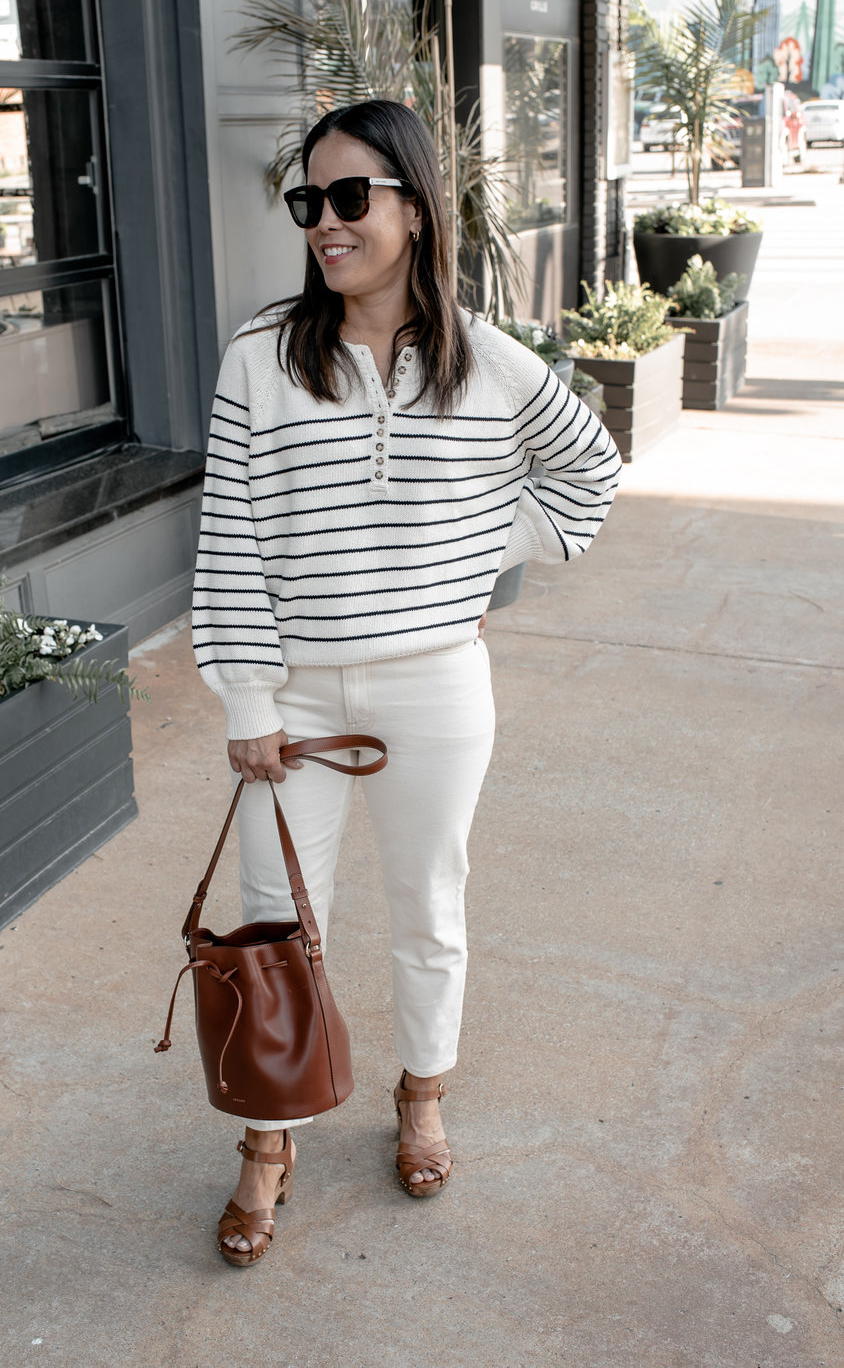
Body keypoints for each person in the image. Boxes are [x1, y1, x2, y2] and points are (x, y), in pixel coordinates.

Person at [192, 99, 621, 1266]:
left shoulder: (487, 360)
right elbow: (230, 540)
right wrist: (248, 703)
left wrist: (488, 553)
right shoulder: (258, 359)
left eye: (350, 199)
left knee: (431, 906)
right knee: (279, 925)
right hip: (298, 696)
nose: (325, 225)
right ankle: (267, 1140)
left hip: (436, 692)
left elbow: (591, 470)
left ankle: (421, 1089)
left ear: (418, 209)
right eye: (308, 203)